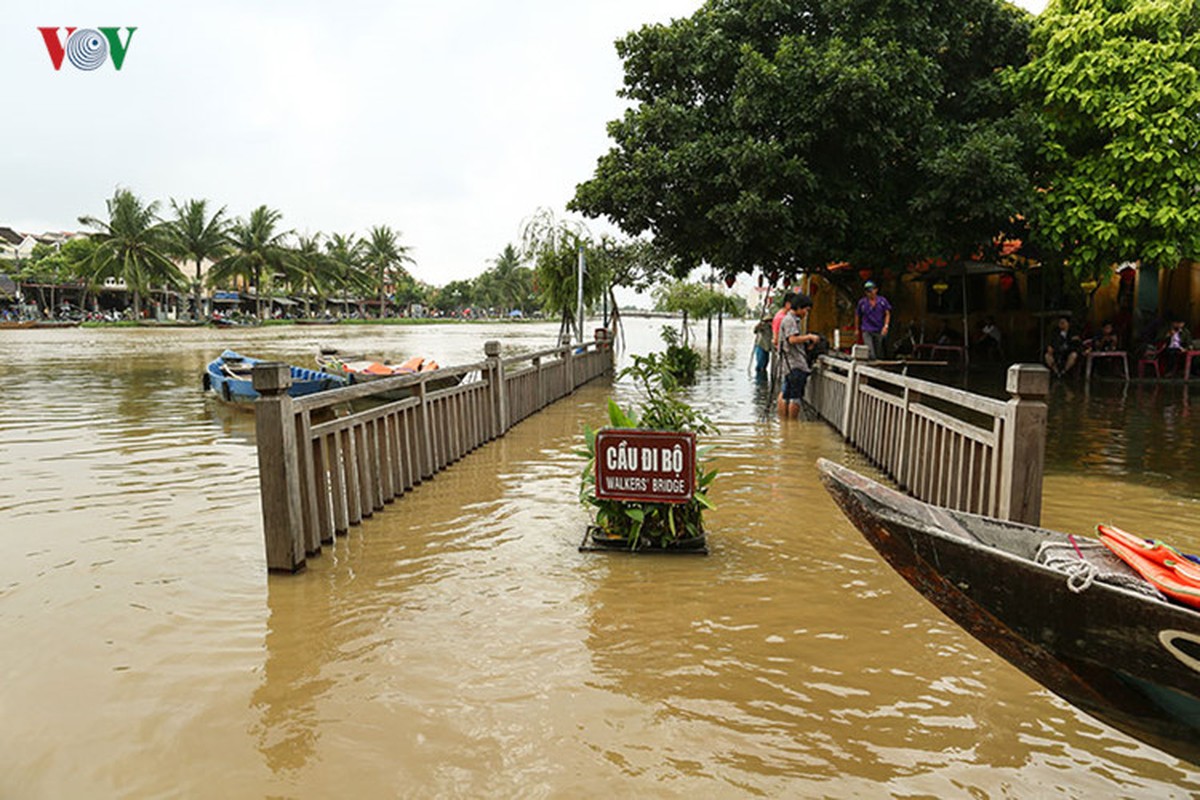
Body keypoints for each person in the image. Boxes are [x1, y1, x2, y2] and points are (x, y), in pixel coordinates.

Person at [777, 292, 820, 419]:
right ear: (800, 308)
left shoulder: (789, 319)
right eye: (806, 310)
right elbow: (792, 339)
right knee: (795, 397)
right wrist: (809, 337)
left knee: (787, 395)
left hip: (790, 363)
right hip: (795, 364)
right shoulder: (790, 320)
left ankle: (785, 427)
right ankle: (792, 424)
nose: (806, 313)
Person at [855, 281, 891, 360]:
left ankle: (879, 367)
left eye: (871, 291)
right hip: (867, 329)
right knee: (870, 350)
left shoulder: (882, 301)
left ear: (876, 290)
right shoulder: (862, 303)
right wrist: (857, 329)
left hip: (878, 328)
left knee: (879, 350)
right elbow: (858, 315)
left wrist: (886, 326)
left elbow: (887, 313)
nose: (870, 293)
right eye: (868, 291)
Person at [752, 316, 773, 381]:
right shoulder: (763, 326)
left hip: (767, 348)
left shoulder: (772, 327)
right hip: (761, 346)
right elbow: (755, 331)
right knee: (760, 364)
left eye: (770, 321)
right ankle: (759, 379)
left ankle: (763, 380)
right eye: (768, 321)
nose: (769, 322)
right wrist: (758, 325)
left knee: (765, 364)